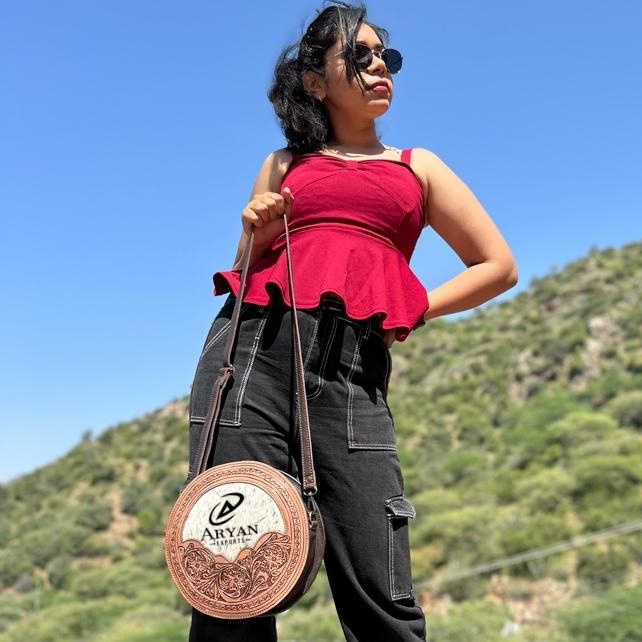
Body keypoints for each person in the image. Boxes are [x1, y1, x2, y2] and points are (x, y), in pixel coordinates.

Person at [185, 2, 518, 640]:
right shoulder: (284, 163)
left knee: (379, 582)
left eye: (385, 56)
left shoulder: (417, 166)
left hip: (353, 366)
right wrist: (255, 231)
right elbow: (248, 266)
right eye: (358, 56)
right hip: (253, 351)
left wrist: (416, 307)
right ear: (315, 81)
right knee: (231, 577)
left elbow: (497, 266)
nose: (379, 66)